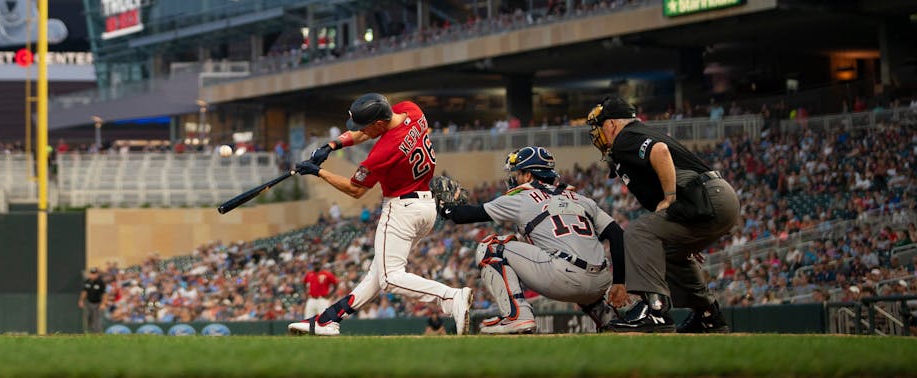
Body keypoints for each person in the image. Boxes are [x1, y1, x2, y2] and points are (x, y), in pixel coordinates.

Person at [286, 93, 472, 336]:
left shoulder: (383, 151)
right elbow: (366, 132)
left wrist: (318, 172)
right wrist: (331, 145)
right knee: (377, 274)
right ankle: (328, 320)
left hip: (401, 209)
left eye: (366, 126)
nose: (361, 131)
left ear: (379, 124)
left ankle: (451, 297)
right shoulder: (411, 111)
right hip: (425, 205)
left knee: (389, 278)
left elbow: (355, 190)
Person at [586, 96, 741, 333]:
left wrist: (669, 197)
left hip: (707, 197)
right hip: (709, 201)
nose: (597, 133)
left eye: (599, 125)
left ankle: (654, 311)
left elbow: (660, 151)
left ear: (612, 124)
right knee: (668, 252)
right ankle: (708, 316)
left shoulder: (626, 136)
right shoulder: (632, 138)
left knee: (637, 232)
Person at [441, 146, 624, 334]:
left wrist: (445, 207)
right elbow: (617, 234)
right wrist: (620, 282)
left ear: (528, 176)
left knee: (491, 247)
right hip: (601, 282)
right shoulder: (581, 199)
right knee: (575, 258)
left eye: (518, 173)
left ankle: (516, 316)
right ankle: (608, 318)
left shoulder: (522, 198)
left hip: (564, 278)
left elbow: (465, 215)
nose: (514, 178)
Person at [79, 267, 108, 333]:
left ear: (97, 274)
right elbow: (84, 292)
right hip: (88, 302)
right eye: (92, 273)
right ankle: (88, 332)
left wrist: (103, 303)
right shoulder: (87, 281)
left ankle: (98, 333)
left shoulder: (100, 282)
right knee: (88, 317)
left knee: (96, 319)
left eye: (94, 274)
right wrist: (81, 300)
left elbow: (104, 293)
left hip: (97, 303)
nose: (93, 275)